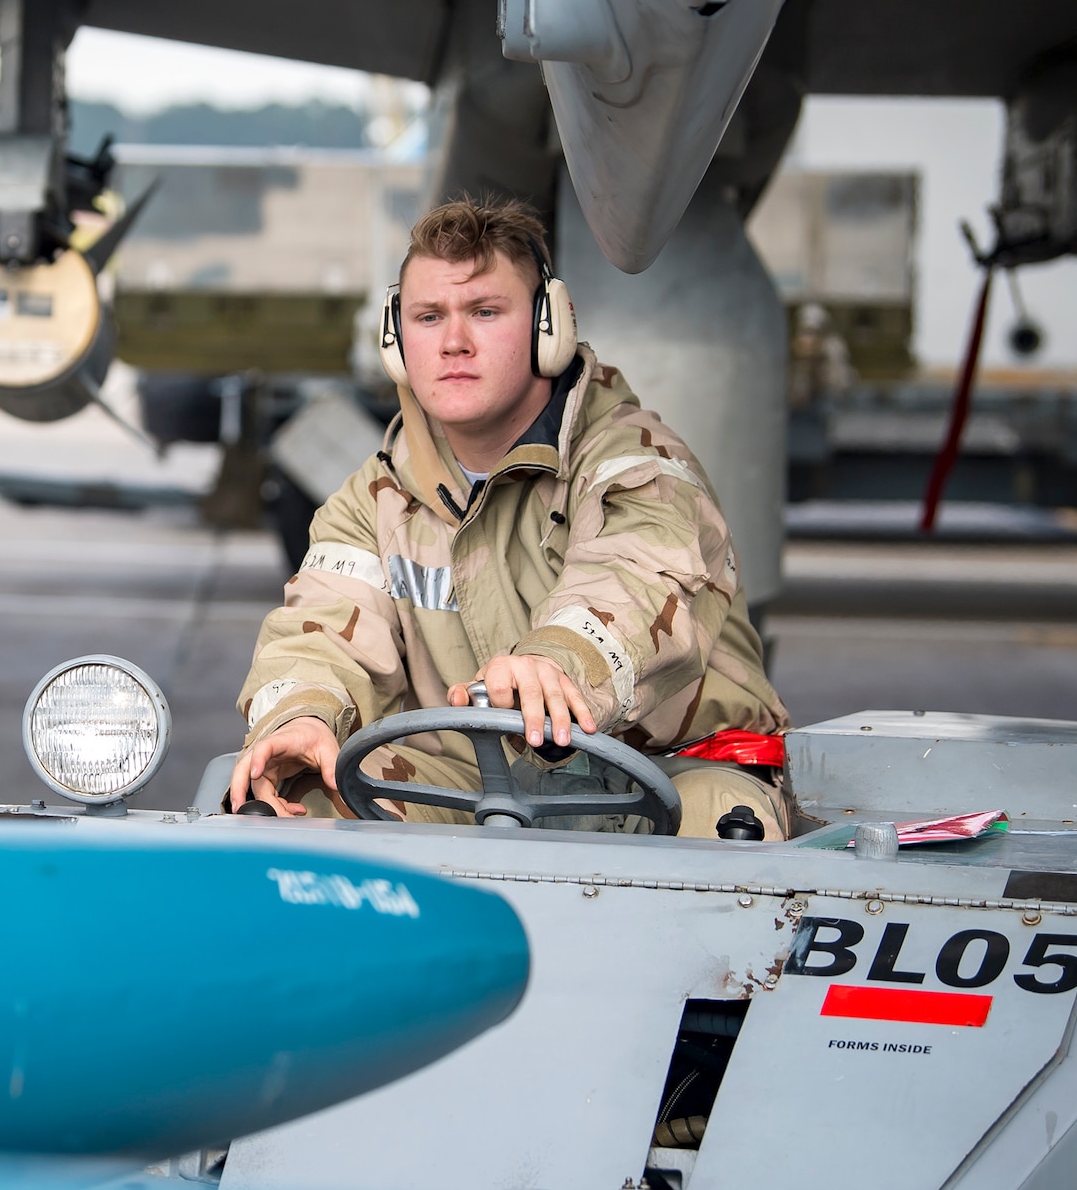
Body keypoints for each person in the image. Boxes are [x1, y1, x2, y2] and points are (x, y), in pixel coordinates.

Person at [229, 196, 792, 836]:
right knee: (303, 799)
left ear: (546, 330)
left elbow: (637, 580)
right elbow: (321, 629)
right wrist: (302, 713)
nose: (453, 342)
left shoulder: (635, 466)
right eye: (428, 316)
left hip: (660, 774)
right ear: (396, 341)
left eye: (485, 312)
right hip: (476, 783)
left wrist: (557, 663)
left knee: (721, 830)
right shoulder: (378, 500)